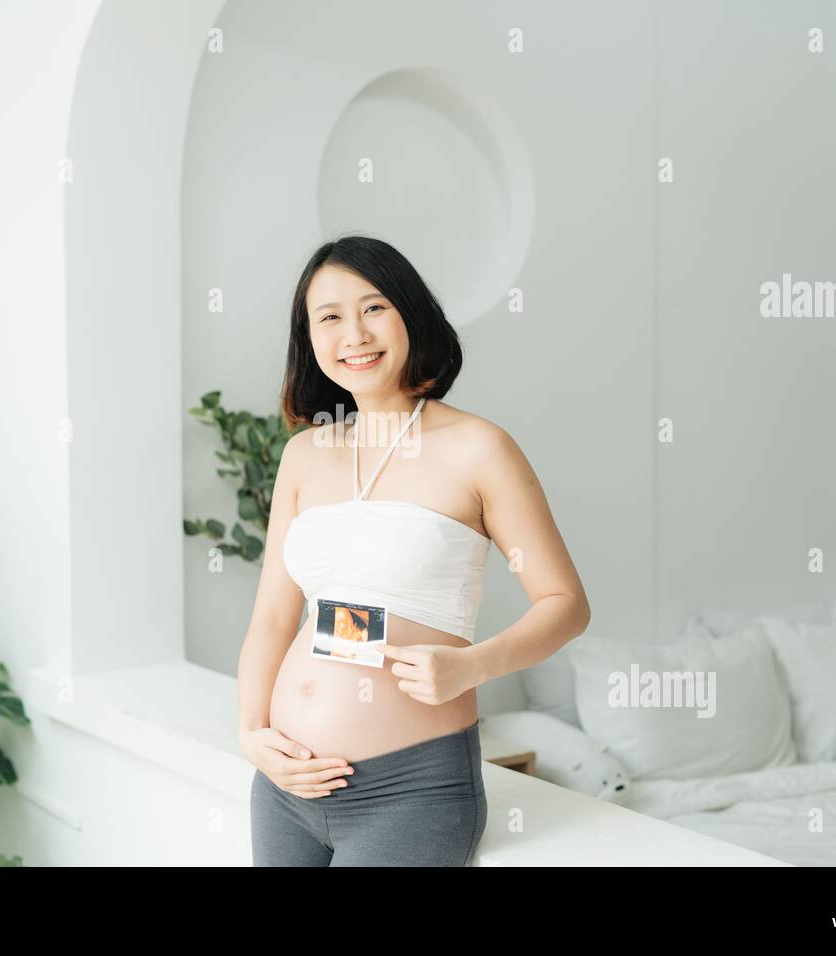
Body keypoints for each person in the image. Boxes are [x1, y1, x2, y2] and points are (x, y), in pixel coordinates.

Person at [238, 235, 590, 866]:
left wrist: (472, 666)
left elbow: (565, 603)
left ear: (411, 314)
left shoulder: (479, 448)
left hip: (411, 791)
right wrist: (251, 736)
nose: (355, 334)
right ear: (310, 339)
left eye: (374, 308)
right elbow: (271, 619)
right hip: (286, 785)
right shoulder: (303, 455)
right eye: (330, 317)